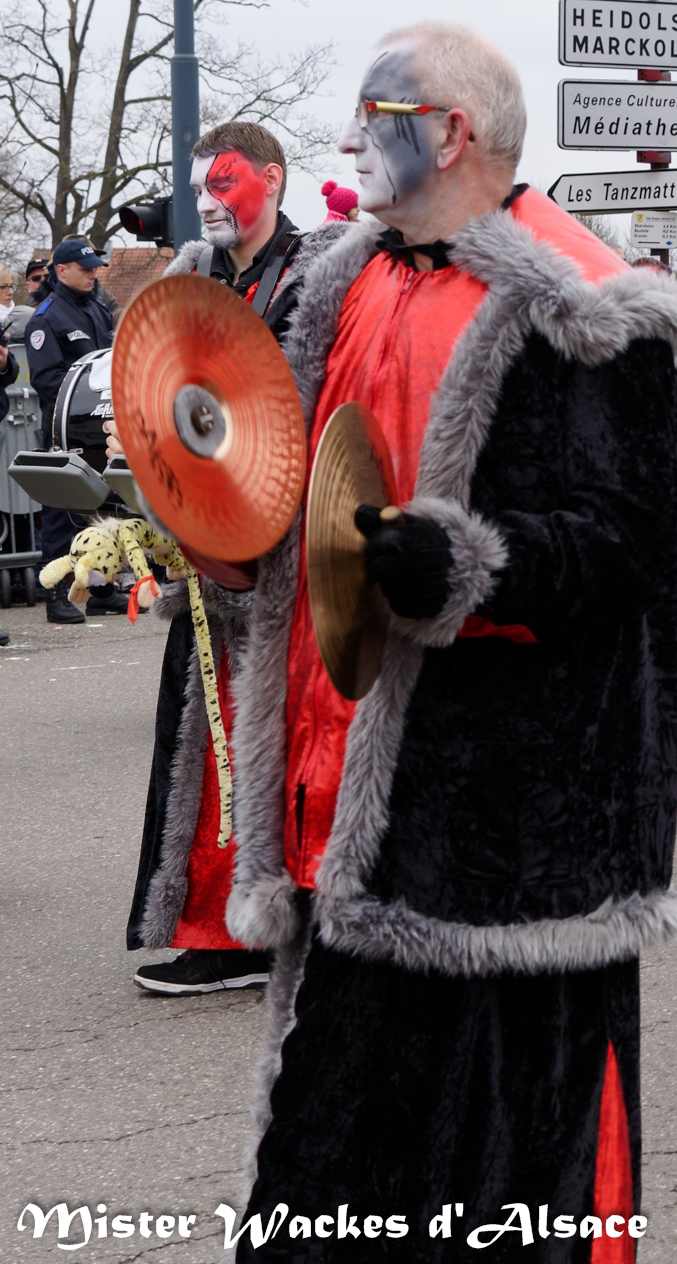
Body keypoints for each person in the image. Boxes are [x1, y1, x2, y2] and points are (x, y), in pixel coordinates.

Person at [214, 24, 677, 1253]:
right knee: (330, 1150)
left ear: (451, 130)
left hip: (504, 822)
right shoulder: (342, 278)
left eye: (372, 110)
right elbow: (298, 488)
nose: (345, 137)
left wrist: (469, 566)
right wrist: (219, 511)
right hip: (346, 795)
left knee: (497, 1171)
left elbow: (629, 548)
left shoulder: (585, 295)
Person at [126, 121, 326, 996]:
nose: (209, 199)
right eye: (201, 185)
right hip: (206, 542)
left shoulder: (315, 276)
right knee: (204, 738)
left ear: (272, 180)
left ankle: (269, 928)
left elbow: (303, 408)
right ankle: (221, 921)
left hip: (286, 552)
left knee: (279, 742)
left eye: (227, 182)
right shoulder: (194, 277)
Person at [24, 237, 117, 623]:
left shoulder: (97, 310)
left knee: (104, 506)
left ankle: (100, 588)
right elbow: (47, 380)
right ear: (61, 271)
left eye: (95, 267)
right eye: (85, 268)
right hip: (65, 427)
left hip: (102, 426)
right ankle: (56, 595)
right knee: (63, 511)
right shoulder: (45, 317)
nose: (93, 273)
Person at [169, 122, 308, 337]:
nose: (204, 206)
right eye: (198, 192)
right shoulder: (184, 284)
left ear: (271, 180)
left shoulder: (319, 283)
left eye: (222, 186)